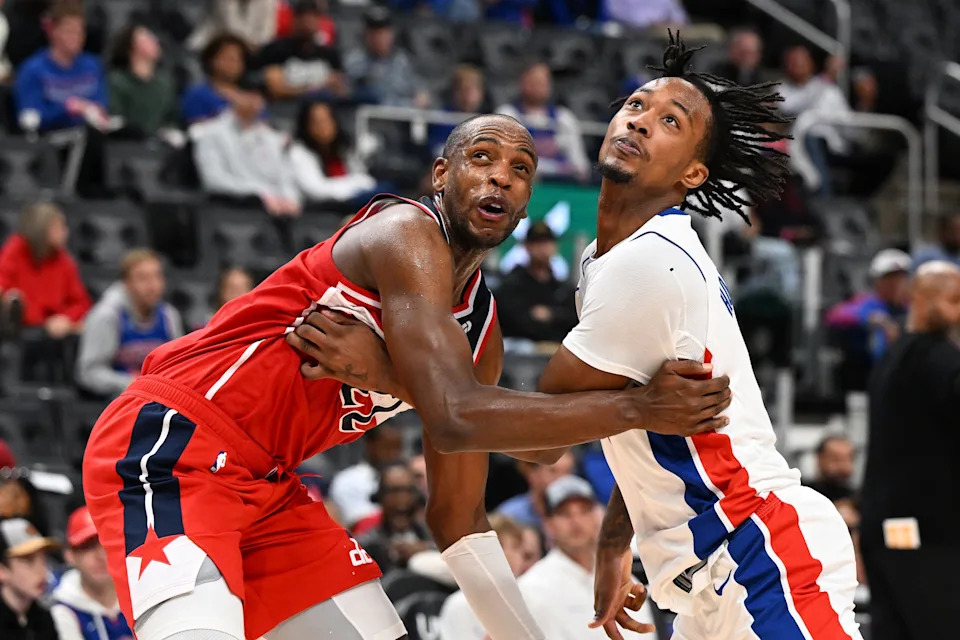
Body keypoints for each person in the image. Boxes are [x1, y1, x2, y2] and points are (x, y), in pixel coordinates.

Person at [82, 112, 731, 640]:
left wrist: (389, 374)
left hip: (269, 487)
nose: (501, 179)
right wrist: (640, 408)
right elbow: (456, 416)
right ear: (441, 173)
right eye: (482, 159)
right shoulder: (403, 233)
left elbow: (466, 509)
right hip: (177, 443)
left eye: (520, 170)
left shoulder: (480, 325)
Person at [525, 33, 858, 639]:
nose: (641, 122)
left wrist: (392, 371)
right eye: (635, 105)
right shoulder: (611, 258)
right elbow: (643, 418)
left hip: (757, 549)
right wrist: (614, 540)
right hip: (700, 582)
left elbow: (537, 438)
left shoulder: (650, 264)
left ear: (693, 171)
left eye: (670, 121)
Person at [860, 260, 960, 640]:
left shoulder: (892, 357)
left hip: (886, 528)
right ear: (918, 298)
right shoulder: (938, 359)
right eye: (952, 299)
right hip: (927, 534)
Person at [518, 476, 656, 639]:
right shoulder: (531, 587)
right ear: (548, 524)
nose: (576, 522)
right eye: (564, 514)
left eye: (584, 511)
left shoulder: (622, 578)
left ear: (598, 516)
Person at [75, 249, 183, 399]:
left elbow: (179, 366)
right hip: (116, 403)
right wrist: (130, 383)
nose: (152, 285)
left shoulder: (169, 315)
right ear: (126, 283)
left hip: (158, 399)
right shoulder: (106, 316)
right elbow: (88, 372)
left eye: (157, 276)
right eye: (143, 278)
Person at [192, 90, 303, 217]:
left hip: (274, 212)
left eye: (257, 98)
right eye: (247, 96)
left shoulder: (271, 137)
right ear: (234, 96)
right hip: (229, 209)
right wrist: (259, 193)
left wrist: (290, 198)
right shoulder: (210, 133)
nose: (253, 102)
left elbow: (284, 176)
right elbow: (213, 180)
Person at [0, 202, 89, 344]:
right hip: (18, 330)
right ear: (41, 229)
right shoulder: (15, 250)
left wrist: (65, 318)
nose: (65, 232)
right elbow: (4, 287)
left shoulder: (65, 261)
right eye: (59, 227)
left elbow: (81, 303)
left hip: (53, 332)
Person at [14, 2, 108, 133]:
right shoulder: (33, 69)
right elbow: (30, 118)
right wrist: (67, 109)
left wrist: (87, 109)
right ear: (53, 31)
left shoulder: (92, 66)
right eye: (69, 31)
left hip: (89, 137)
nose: (76, 37)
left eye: (79, 31)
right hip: (50, 141)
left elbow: (101, 107)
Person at [825, 248, 912, 387]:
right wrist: (867, 319)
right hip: (867, 375)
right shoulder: (866, 303)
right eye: (889, 279)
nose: (896, 285)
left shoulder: (914, 308)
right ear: (877, 281)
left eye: (900, 279)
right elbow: (834, 316)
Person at [438, 514, 529, 640]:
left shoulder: (532, 596)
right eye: (500, 545)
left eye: (515, 547)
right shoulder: (459, 605)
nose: (509, 555)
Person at [497, 61, 590, 181]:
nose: (540, 86)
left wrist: (557, 146)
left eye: (544, 81)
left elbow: (581, 166)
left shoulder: (564, 118)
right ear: (523, 83)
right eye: (535, 81)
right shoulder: (507, 114)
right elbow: (505, 159)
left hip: (560, 186)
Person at [51, 506, 134, 640]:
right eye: (88, 546)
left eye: (106, 545)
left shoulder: (140, 594)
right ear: (69, 555)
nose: (100, 556)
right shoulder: (63, 610)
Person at [495, 221, 578, 343]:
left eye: (547, 243)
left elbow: (574, 319)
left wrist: (551, 314)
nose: (543, 248)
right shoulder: (512, 284)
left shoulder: (562, 289)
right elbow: (513, 320)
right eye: (537, 243)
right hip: (518, 353)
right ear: (527, 247)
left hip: (556, 350)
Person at [253, 0, 345, 101]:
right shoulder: (276, 50)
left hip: (321, 108)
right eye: (302, 16)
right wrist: (318, 87)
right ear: (294, 19)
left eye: (313, 16)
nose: (307, 21)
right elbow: (276, 89)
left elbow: (340, 90)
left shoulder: (330, 54)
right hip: (283, 111)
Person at [288, 99, 377, 203]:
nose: (323, 127)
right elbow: (317, 191)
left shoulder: (342, 147)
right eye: (316, 122)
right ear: (305, 126)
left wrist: (358, 184)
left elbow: (365, 180)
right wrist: (354, 187)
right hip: (317, 212)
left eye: (327, 120)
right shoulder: (298, 152)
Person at [343, 6, 429, 108]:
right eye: (373, 33)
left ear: (391, 34)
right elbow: (348, 93)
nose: (378, 38)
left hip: (401, 120)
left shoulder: (404, 61)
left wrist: (421, 98)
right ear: (366, 35)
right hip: (366, 121)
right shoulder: (354, 60)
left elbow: (422, 96)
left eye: (383, 33)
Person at [356, 463, 433, 573]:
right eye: (393, 491)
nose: (401, 498)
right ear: (380, 496)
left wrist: (426, 550)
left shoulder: (434, 537)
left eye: (408, 490)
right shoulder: (365, 545)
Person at [108, 24, 177, 139]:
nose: (154, 41)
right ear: (130, 48)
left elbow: (171, 119)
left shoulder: (165, 84)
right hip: (125, 146)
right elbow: (115, 120)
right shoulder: (117, 82)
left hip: (159, 147)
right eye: (146, 39)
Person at [328, 423, 403, 528]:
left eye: (397, 447)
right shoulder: (348, 480)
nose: (393, 454)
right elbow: (360, 525)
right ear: (370, 445)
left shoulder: (408, 478)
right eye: (387, 447)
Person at [0, 517, 60, 640]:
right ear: (2, 571)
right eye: (28, 561)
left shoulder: (45, 618)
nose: (42, 570)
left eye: (43, 558)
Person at [495, 451, 575, 531]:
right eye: (553, 471)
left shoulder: (582, 514)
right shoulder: (508, 515)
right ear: (531, 473)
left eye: (568, 471)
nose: (563, 479)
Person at [181, 33, 250, 124]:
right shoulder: (197, 94)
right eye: (227, 58)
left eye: (237, 59)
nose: (232, 64)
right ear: (212, 60)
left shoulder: (250, 100)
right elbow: (197, 130)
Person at [188, 0, 278, 52]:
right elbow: (231, 29)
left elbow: (268, 33)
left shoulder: (269, 2)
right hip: (210, 44)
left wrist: (258, 44)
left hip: (249, 50)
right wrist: (252, 43)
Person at [804, 435, 855, 501]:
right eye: (836, 459)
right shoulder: (804, 494)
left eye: (847, 459)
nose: (842, 465)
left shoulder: (858, 499)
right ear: (820, 459)